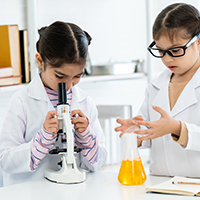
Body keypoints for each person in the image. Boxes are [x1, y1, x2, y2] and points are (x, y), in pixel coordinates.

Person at [0, 21, 107, 186]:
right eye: (60, 76)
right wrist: (41, 141)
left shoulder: (85, 102)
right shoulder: (21, 102)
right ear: (40, 61)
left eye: (77, 76)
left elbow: (97, 162)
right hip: (29, 192)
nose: (69, 85)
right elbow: (6, 161)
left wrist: (86, 138)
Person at [115, 3, 200, 178]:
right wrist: (135, 132)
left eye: (175, 50)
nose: (167, 59)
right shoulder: (156, 86)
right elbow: (150, 134)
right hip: (160, 185)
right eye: (161, 51)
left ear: (198, 42)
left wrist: (177, 128)